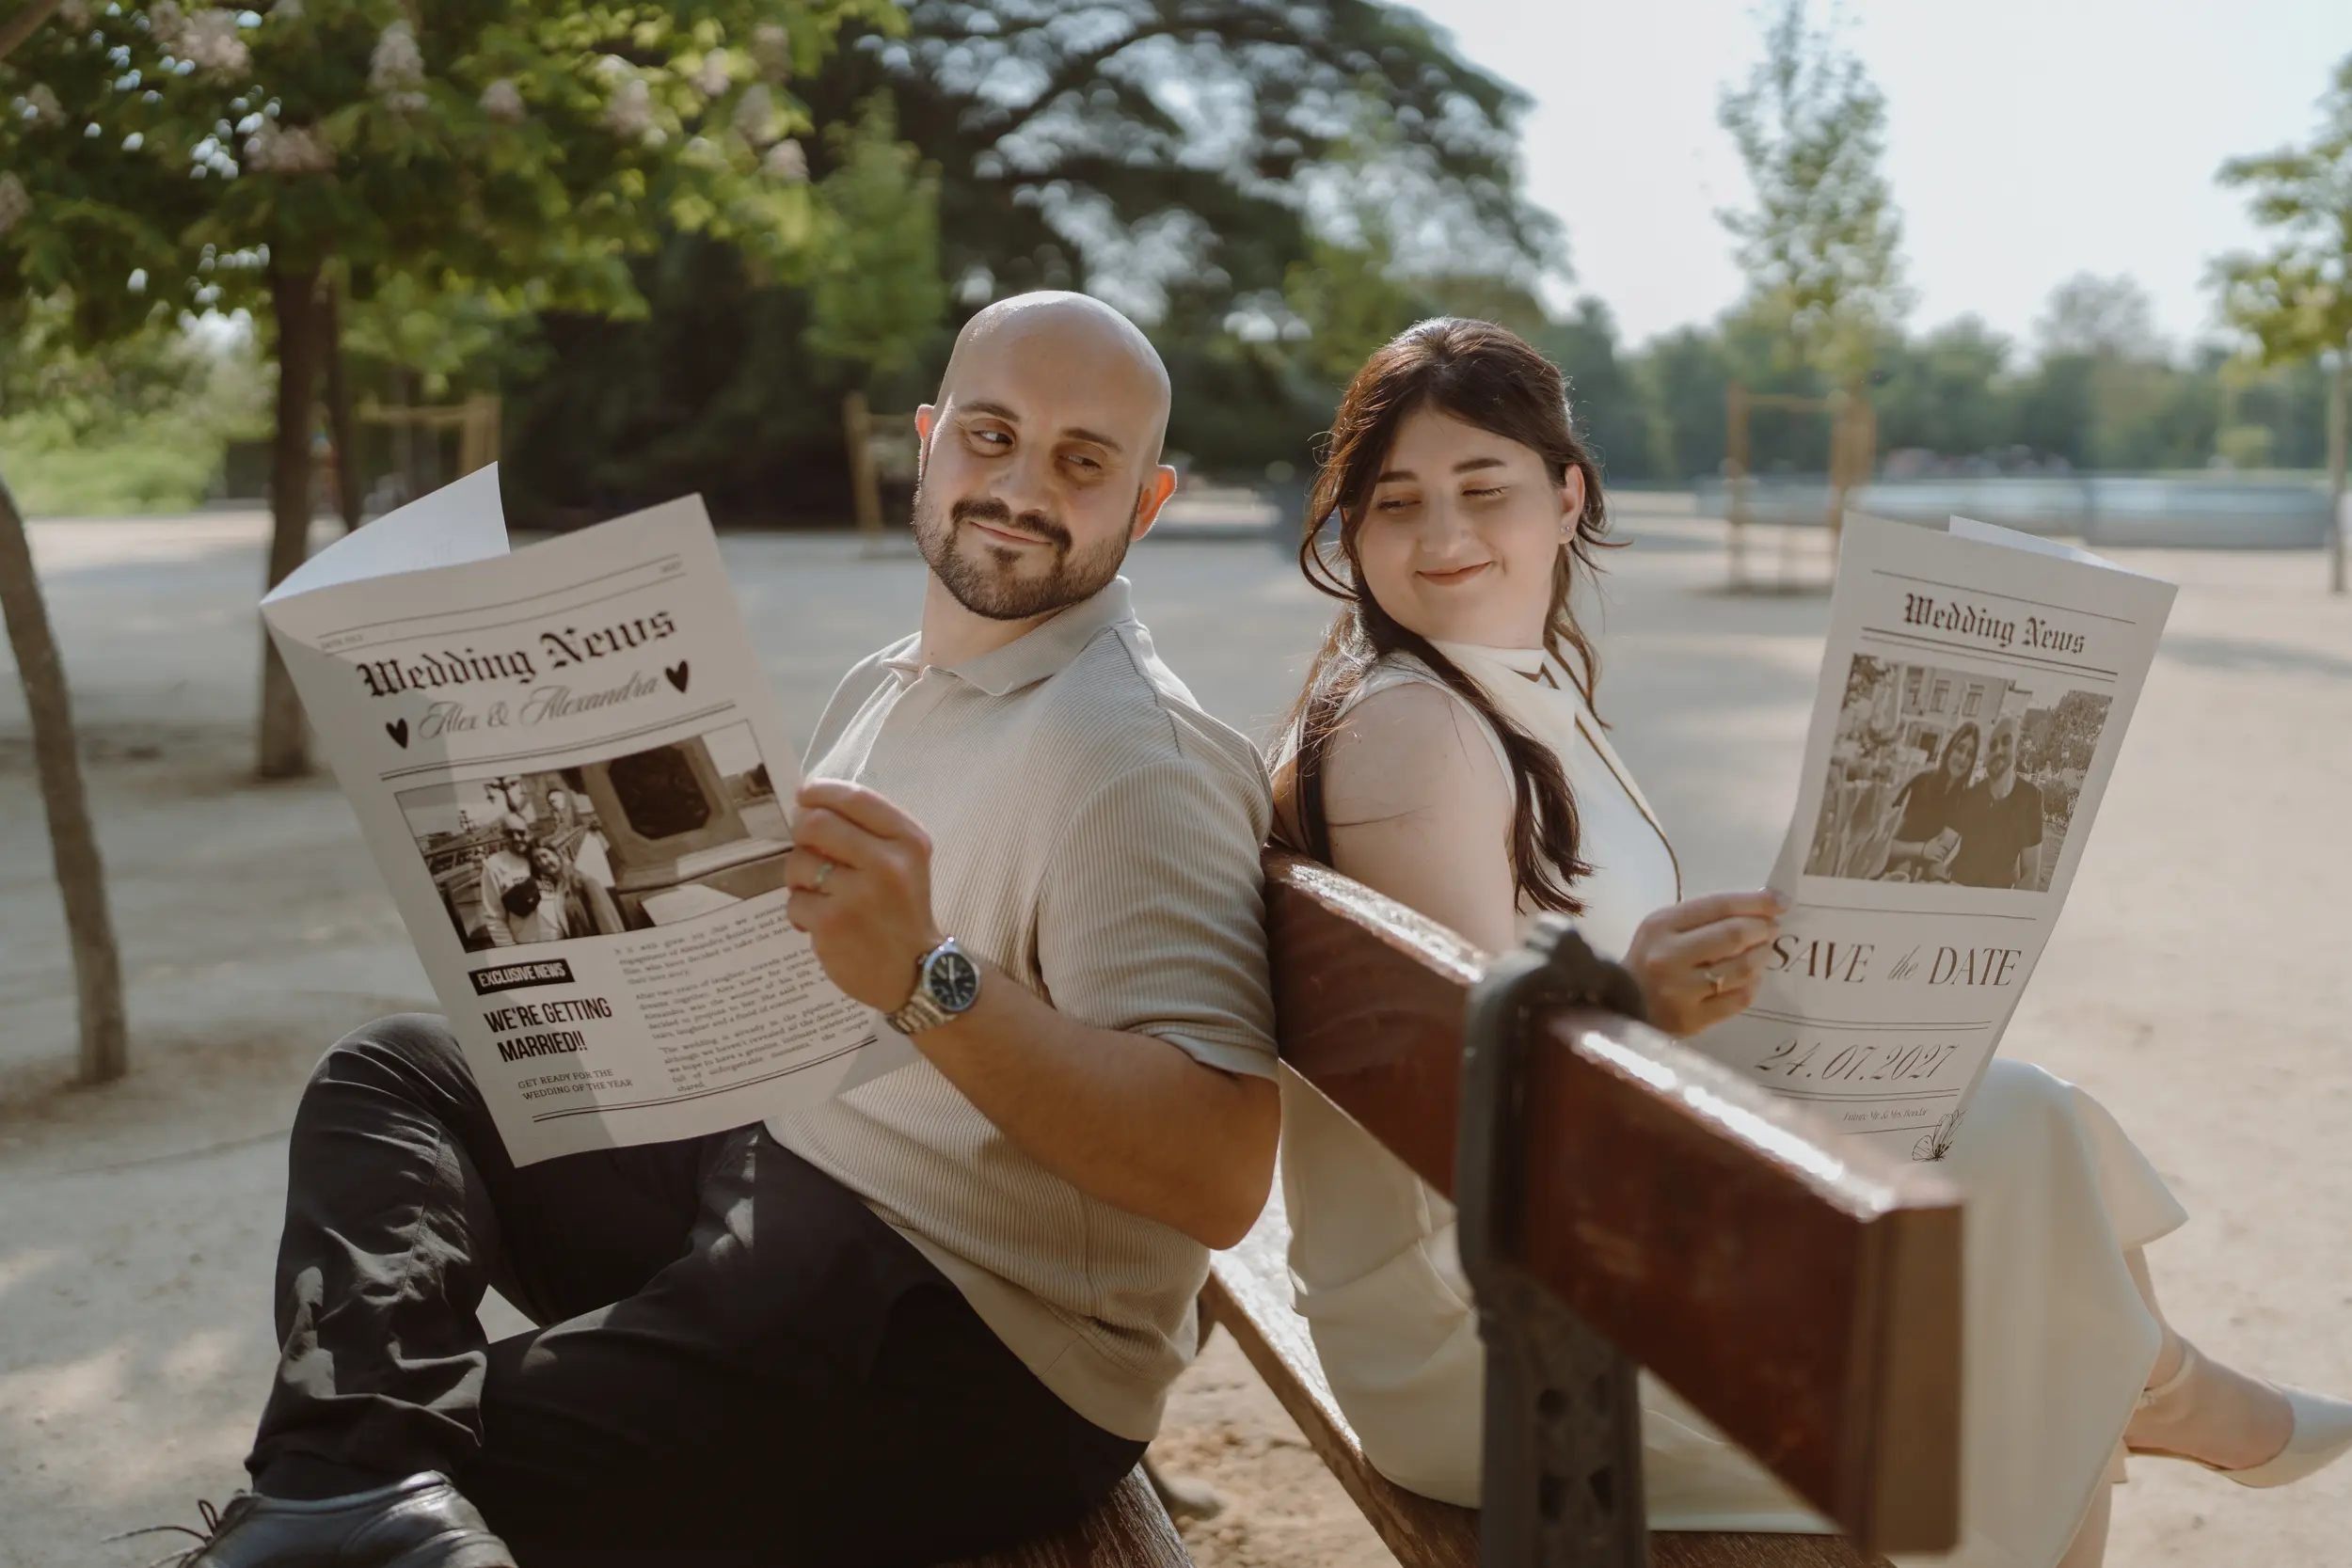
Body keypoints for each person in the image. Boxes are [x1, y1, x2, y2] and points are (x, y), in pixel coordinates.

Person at [162, 293, 1280, 1568]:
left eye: (1083, 460)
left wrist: (927, 979)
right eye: (991, 435)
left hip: (965, 1329)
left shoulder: (1137, 754)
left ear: (1146, 501)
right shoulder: (895, 676)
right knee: (395, 1071)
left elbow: (1217, 1172)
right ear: (928, 443)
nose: (1023, 486)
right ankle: (346, 1483)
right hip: (782, 1174)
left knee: (447, 1464)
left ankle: (347, 1486)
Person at [1268, 318, 2352, 1568]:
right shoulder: (1418, 732)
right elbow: (1462, 1120)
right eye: (1396, 501)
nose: (1441, 535)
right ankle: (2160, 1386)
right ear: (1352, 526)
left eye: (1481, 488)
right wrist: (1633, 1004)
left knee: (2016, 1113)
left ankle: (2157, 1381)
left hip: (1575, 1232)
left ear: (1566, 497)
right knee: (2024, 1354)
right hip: (1497, 1332)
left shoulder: (1500, 689)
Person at [1947, 714, 2044, 890]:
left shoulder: (2030, 799)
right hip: (1957, 889)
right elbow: (1944, 845)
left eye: (2006, 742)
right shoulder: (1971, 795)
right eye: (1992, 745)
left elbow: (2030, 875)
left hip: (1996, 897)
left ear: (2017, 749)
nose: (1998, 750)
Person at [1882, 722, 1979, 881]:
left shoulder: (1965, 801)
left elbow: (1938, 855)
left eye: (1970, 754)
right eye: (1960, 749)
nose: (1963, 758)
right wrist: (1921, 850)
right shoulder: (1920, 783)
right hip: (1889, 872)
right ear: (1950, 749)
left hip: (1922, 880)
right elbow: (1884, 842)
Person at [475, 814, 535, 947]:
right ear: (504, 836)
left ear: (530, 832)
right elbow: (494, 915)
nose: (516, 838)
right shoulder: (494, 866)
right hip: (527, 944)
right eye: (510, 834)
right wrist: (510, 950)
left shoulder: (543, 857)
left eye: (521, 832)